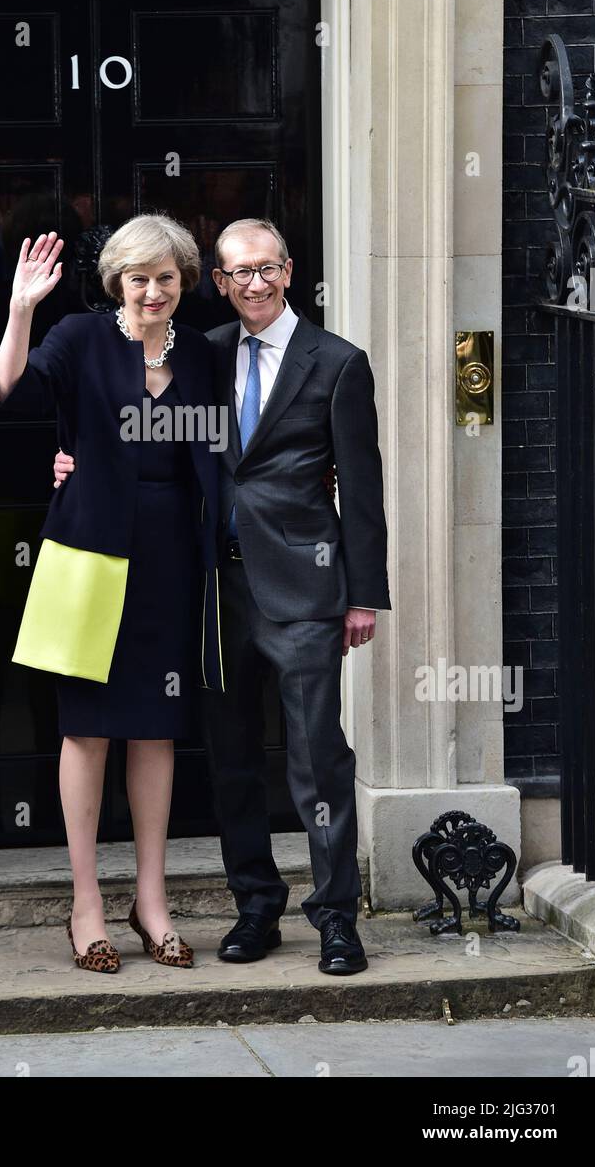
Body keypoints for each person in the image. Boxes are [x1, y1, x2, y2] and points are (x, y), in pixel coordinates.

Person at [55, 216, 390, 976]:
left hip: (304, 591)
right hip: (212, 587)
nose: (253, 284)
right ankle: (256, 909)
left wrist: (362, 595)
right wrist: (70, 463)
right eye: (237, 273)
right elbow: (136, 435)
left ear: (289, 270)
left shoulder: (336, 363)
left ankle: (336, 918)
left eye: (266, 268)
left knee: (316, 762)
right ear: (219, 282)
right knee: (232, 758)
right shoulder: (199, 354)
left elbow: (362, 492)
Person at [0, 216, 223, 975]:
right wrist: (22, 309)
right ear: (115, 281)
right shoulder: (82, 338)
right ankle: (85, 902)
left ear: (183, 282)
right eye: (136, 278)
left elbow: (227, 451)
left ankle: (149, 901)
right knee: (86, 729)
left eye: (165, 278)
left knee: (154, 729)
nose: (151, 292)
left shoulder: (207, 357)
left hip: (171, 558)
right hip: (87, 551)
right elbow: (11, 394)